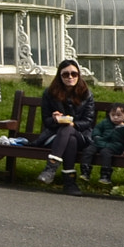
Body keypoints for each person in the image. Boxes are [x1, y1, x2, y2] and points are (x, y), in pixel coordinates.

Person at [35, 58, 96, 194]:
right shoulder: (49, 93)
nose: (70, 77)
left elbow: (88, 121)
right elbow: (46, 121)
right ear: (59, 76)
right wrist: (55, 119)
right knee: (69, 137)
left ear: (78, 75)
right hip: (55, 136)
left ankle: (51, 168)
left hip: (81, 135)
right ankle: (70, 183)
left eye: (74, 74)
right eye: (65, 74)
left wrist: (73, 123)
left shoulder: (86, 94)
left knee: (69, 129)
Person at [90, 104, 124, 189]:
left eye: (118, 115)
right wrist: (96, 136)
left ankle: (105, 175)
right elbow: (97, 129)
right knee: (89, 150)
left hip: (116, 148)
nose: (115, 117)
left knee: (105, 152)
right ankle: (85, 172)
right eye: (113, 115)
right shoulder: (105, 123)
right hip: (101, 143)